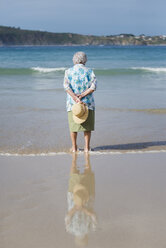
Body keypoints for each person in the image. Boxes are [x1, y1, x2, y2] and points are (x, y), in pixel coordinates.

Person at [63, 51, 97, 152]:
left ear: (74, 60)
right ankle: (87, 147)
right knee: (87, 127)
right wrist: (82, 95)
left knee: (73, 127)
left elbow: (66, 86)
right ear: (84, 60)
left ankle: (74, 147)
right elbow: (93, 86)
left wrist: (75, 97)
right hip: (87, 103)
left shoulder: (68, 71)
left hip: (73, 104)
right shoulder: (90, 71)